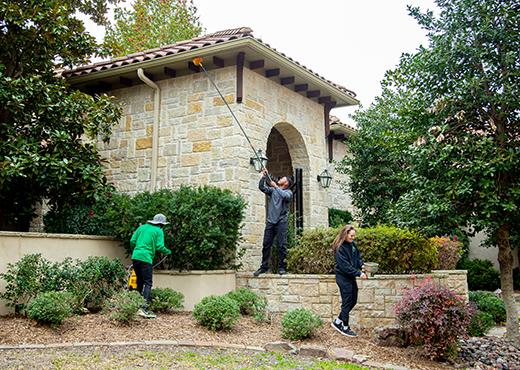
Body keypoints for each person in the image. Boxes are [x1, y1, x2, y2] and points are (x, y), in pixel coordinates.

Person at [130, 213, 172, 318]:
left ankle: (135, 306)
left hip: (135, 256)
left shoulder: (142, 227)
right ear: (161, 225)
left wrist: (135, 251)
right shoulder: (158, 231)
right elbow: (159, 246)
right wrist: (168, 252)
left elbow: (132, 241)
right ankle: (144, 308)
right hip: (146, 258)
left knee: (139, 281)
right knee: (148, 282)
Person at [254, 167, 293, 276]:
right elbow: (261, 187)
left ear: (286, 183)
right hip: (271, 221)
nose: (280, 179)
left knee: (282, 245)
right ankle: (264, 267)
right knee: (266, 244)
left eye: (283, 179)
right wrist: (264, 177)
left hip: (281, 222)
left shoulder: (289, 192)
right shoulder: (273, 190)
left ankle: (282, 267)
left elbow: (284, 196)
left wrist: (276, 187)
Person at [331, 224, 367, 337]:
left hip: (351, 277)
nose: (352, 238)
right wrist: (359, 274)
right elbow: (345, 266)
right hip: (343, 277)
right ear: (345, 234)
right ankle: (345, 327)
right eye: (351, 236)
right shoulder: (339, 248)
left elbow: (357, 257)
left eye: (353, 236)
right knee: (347, 302)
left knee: (353, 300)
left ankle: (337, 322)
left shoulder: (352, 244)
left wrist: (361, 266)